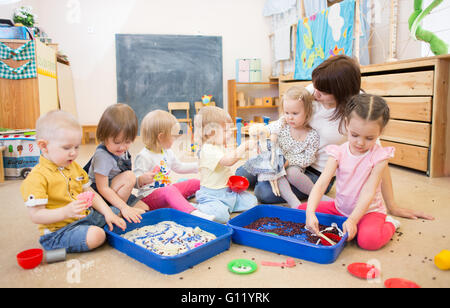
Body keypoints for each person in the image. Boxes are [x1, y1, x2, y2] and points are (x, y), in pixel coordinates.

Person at [237, 55, 434, 221]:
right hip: (288, 156)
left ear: (340, 92)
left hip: (317, 172)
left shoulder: (358, 111)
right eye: (315, 86)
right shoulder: (314, 89)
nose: (315, 93)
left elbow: (379, 158)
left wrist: (393, 205)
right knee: (241, 174)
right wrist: (265, 136)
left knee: (263, 191)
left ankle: (313, 194)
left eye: (322, 92)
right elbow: (287, 117)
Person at [301, 94, 401, 250]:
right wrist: (310, 213)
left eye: (369, 138)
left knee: (369, 241)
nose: (360, 143)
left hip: (368, 212)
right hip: (340, 208)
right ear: (347, 123)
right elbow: (321, 184)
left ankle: (390, 224)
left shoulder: (380, 156)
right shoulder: (338, 152)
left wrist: (353, 220)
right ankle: (342, 220)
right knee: (302, 211)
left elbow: (369, 192)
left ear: (380, 132)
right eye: (355, 135)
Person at [21, 110, 126, 253]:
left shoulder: (73, 166)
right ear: (44, 146)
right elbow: (36, 215)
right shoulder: (37, 178)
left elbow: (90, 192)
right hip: (59, 231)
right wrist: (65, 212)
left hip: (87, 217)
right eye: (66, 147)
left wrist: (108, 213)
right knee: (97, 235)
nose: (73, 153)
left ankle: (99, 227)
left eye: (76, 147)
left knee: (116, 212)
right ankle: (96, 232)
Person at [242, 85, 321, 208]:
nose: (289, 117)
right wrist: (259, 132)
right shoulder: (283, 123)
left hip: (292, 165)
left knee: (291, 173)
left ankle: (306, 198)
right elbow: (267, 130)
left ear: (307, 112)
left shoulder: (312, 135)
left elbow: (308, 158)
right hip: (274, 160)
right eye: (286, 112)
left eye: (295, 113)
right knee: (244, 172)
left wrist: (287, 162)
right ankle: (263, 177)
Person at [133, 110, 214, 220]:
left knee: (195, 183)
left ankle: (213, 198)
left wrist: (199, 166)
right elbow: (135, 183)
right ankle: (194, 213)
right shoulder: (143, 156)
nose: (175, 140)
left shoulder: (166, 151)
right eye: (173, 137)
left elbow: (179, 166)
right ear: (161, 137)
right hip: (149, 198)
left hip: (168, 192)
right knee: (170, 190)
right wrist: (142, 179)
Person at [194, 106, 257, 223]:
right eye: (225, 131)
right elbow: (228, 161)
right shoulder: (207, 149)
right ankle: (195, 208)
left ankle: (226, 206)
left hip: (228, 192)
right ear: (210, 133)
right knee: (221, 216)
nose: (230, 134)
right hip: (211, 195)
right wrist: (244, 146)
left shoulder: (219, 145)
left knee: (252, 201)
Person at [87, 103, 146, 224]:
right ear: (104, 135)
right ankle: (115, 212)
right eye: (117, 142)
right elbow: (102, 188)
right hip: (100, 195)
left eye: (128, 141)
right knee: (130, 176)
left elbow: (122, 179)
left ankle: (119, 209)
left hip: (115, 191)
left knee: (145, 209)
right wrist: (124, 208)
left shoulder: (121, 150)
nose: (122, 147)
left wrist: (141, 180)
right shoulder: (102, 156)